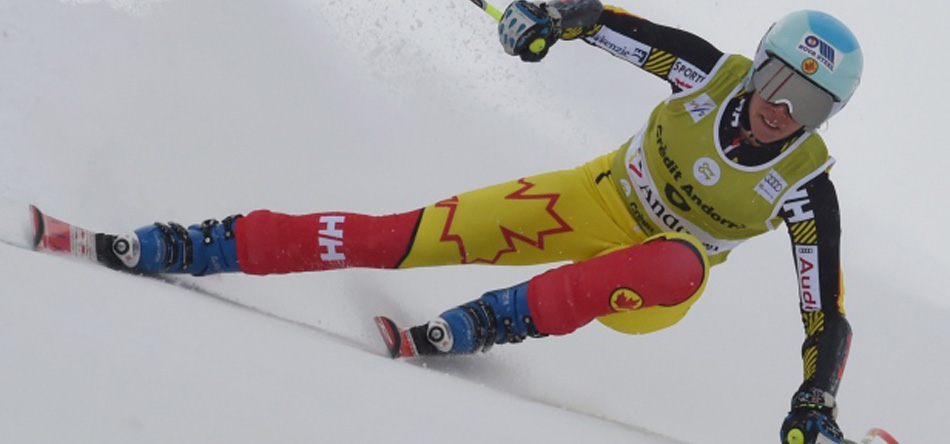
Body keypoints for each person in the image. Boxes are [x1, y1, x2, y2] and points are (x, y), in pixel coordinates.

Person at [92, 2, 862, 443]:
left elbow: (825, 316)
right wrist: (545, 18)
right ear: (757, 64)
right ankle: (200, 243)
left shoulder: (804, 186)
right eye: (776, 80)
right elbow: (596, 20)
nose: (778, 109)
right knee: (396, 237)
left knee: (679, 263)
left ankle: (492, 322)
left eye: (809, 104)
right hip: (588, 199)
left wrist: (816, 398)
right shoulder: (704, 69)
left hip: (651, 280)